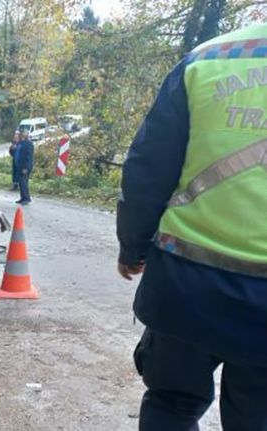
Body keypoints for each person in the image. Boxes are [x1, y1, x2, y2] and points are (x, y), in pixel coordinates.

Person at [117, 23, 267, 430]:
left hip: (186, 281)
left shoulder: (207, 60)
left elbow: (147, 167)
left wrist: (133, 247)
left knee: (172, 404)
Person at [15, 130, 34, 205]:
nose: (21, 135)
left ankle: (27, 198)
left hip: (25, 166)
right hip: (19, 166)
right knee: (21, 182)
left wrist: (26, 167)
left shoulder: (28, 144)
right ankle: (22, 197)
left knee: (24, 182)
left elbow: (29, 157)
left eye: (23, 134)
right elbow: (15, 153)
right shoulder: (20, 143)